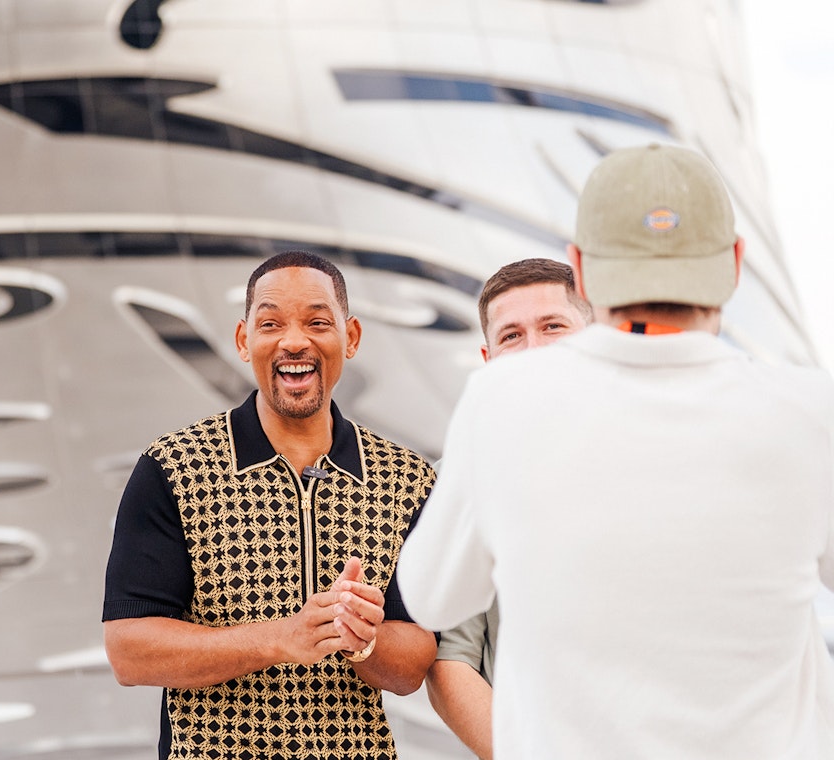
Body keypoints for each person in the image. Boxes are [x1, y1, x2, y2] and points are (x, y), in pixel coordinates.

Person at [398, 143, 834, 758]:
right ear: (735, 263)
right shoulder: (813, 410)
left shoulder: (500, 404)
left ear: (584, 267)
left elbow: (433, 597)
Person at [103, 250, 438, 759]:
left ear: (351, 337)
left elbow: (413, 667)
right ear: (244, 340)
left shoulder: (407, 479)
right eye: (271, 323)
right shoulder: (173, 469)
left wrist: (363, 640)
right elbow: (129, 651)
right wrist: (281, 639)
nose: (294, 341)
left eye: (317, 322)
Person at [428, 257, 591, 760]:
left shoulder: (667, 454)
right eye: (512, 336)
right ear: (489, 356)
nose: (534, 348)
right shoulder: (463, 483)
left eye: (553, 326)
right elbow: (452, 663)